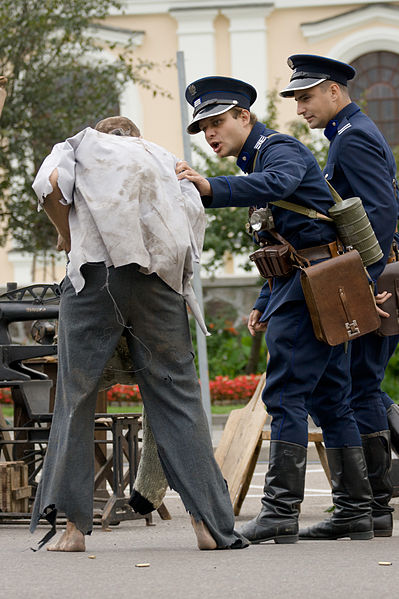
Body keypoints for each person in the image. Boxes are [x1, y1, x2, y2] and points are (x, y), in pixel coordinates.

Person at [29, 115, 248, 552]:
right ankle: (209, 526)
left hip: (96, 276)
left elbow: (50, 182)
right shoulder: (164, 158)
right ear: (135, 138)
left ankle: (73, 532)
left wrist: (65, 234)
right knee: (178, 399)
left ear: (103, 133)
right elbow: (192, 218)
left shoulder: (80, 143)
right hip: (158, 282)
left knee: (77, 396)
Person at [177, 76, 377, 544]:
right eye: (203, 127)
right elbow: (279, 237)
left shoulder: (276, 149)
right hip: (316, 281)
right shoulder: (260, 155)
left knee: (286, 395)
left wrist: (212, 187)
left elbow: (280, 183)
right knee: (331, 397)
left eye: (217, 122)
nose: (210, 134)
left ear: (243, 116)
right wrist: (266, 301)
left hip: (311, 286)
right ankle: (356, 512)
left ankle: (281, 512)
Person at [280, 55, 399, 538]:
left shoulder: (353, 138)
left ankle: (374, 508)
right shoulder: (350, 133)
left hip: (375, 277)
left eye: (306, 97)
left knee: (359, 389)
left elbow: (382, 209)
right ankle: (372, 509)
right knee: (356, 387)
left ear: (334, 90)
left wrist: (365, 282)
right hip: (375, 272)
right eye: (296, 100)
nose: (301, 108)